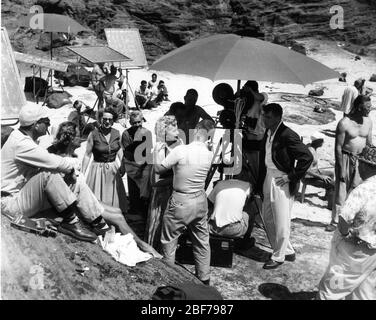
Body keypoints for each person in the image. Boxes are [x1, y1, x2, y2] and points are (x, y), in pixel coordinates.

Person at [1, 104, 109, 242]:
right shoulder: (21, 144)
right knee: (49, 174)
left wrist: (70, 173)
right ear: (36, 124)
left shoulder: (23, 139)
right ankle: (70, 221)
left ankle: (98, 223)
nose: (48, 125)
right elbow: (52, 161)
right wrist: (70, 169)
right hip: (10, 203)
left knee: (76, 179)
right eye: (46, 122)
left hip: (21, 196)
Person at [154, 119, 215, 284]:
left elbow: (159, 169)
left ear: (196, 130)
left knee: (169, 240)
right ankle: (204, 279)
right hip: (200, 199)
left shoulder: (181, 150)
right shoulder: (209, 154)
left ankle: (170, 279)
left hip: (181, 200)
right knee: (202, 242)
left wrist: (157, 151)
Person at [256, 103, 313, 269]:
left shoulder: (288, 135)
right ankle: (286, 250)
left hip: (282, 180)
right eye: (264, 116)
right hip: (269, 176)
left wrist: (291, 176)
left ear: (278, 118)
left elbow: (306, 157)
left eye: (268, 117)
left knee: (281, 220)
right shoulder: (268, 132)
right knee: (267, 217)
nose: (264, 120)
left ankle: (278, 256)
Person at [318, 145, 376, 300]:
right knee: (364, 291)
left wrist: (344, 233)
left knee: (332, 288)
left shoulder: (363, 189)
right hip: (373, 253)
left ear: (364, 165)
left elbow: (344, 218)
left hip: (354, 249)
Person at [326, 95, 373, 232]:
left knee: (357, 190)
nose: (370, 109)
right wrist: (340, 168)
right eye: (368, 107)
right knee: (341, 190)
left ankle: (351, 221)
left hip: (361, 160)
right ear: (359, 107)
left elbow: (369, 144)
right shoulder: (344, 123)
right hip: (346, 158)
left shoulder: (368, 122)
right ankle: (335, 222)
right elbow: (338, 148)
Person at [145, 115, 182, 251]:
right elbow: (155, 181)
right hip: (163, 194)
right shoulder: (160, 149)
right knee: (161, 223)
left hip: (174, 192)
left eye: (177, 128)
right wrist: (179, 177)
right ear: (164, 133)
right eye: (174, 130)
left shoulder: (179, 144)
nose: (178, 133)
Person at [82, 107, 128, 213]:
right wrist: (83, 173)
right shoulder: (93, 134)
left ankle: (114, 217)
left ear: (113, 120)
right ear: (100, 119)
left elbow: (119, 149)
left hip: (113, 168)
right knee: (98, 196)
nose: (107, 121)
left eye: (110, 119)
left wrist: (123, 165)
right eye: (105, 119)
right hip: (97, 169)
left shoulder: (117, 133)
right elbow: (87, 154)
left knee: (113, 195)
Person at [207, 175, 256, 249]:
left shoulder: (220, 183)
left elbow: (207, 204)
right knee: (251, 208)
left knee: (212, 205)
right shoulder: (248, 185)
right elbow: (247, 204)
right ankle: (246, 240)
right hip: (234, 230)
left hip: (213, 228)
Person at [121, 111, 153, 218]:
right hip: (132, 164)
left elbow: (148, 150)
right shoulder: (126, 134)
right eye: (134, 123)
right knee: (133, 188)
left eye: (139, 122)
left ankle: (144, 210)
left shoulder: (147, 132)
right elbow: (128, 153)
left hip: (144, 164)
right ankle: (135, 209)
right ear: (130, 122)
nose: (137, 125)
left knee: (145, 190)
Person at [240, 80, 269, 187]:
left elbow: (258, 97)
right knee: (244, 165)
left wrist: (250, 90)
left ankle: (257, 186)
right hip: (247, 135)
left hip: (258, 139)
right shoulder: (248, 100)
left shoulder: (262, 96)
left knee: (255, 166)